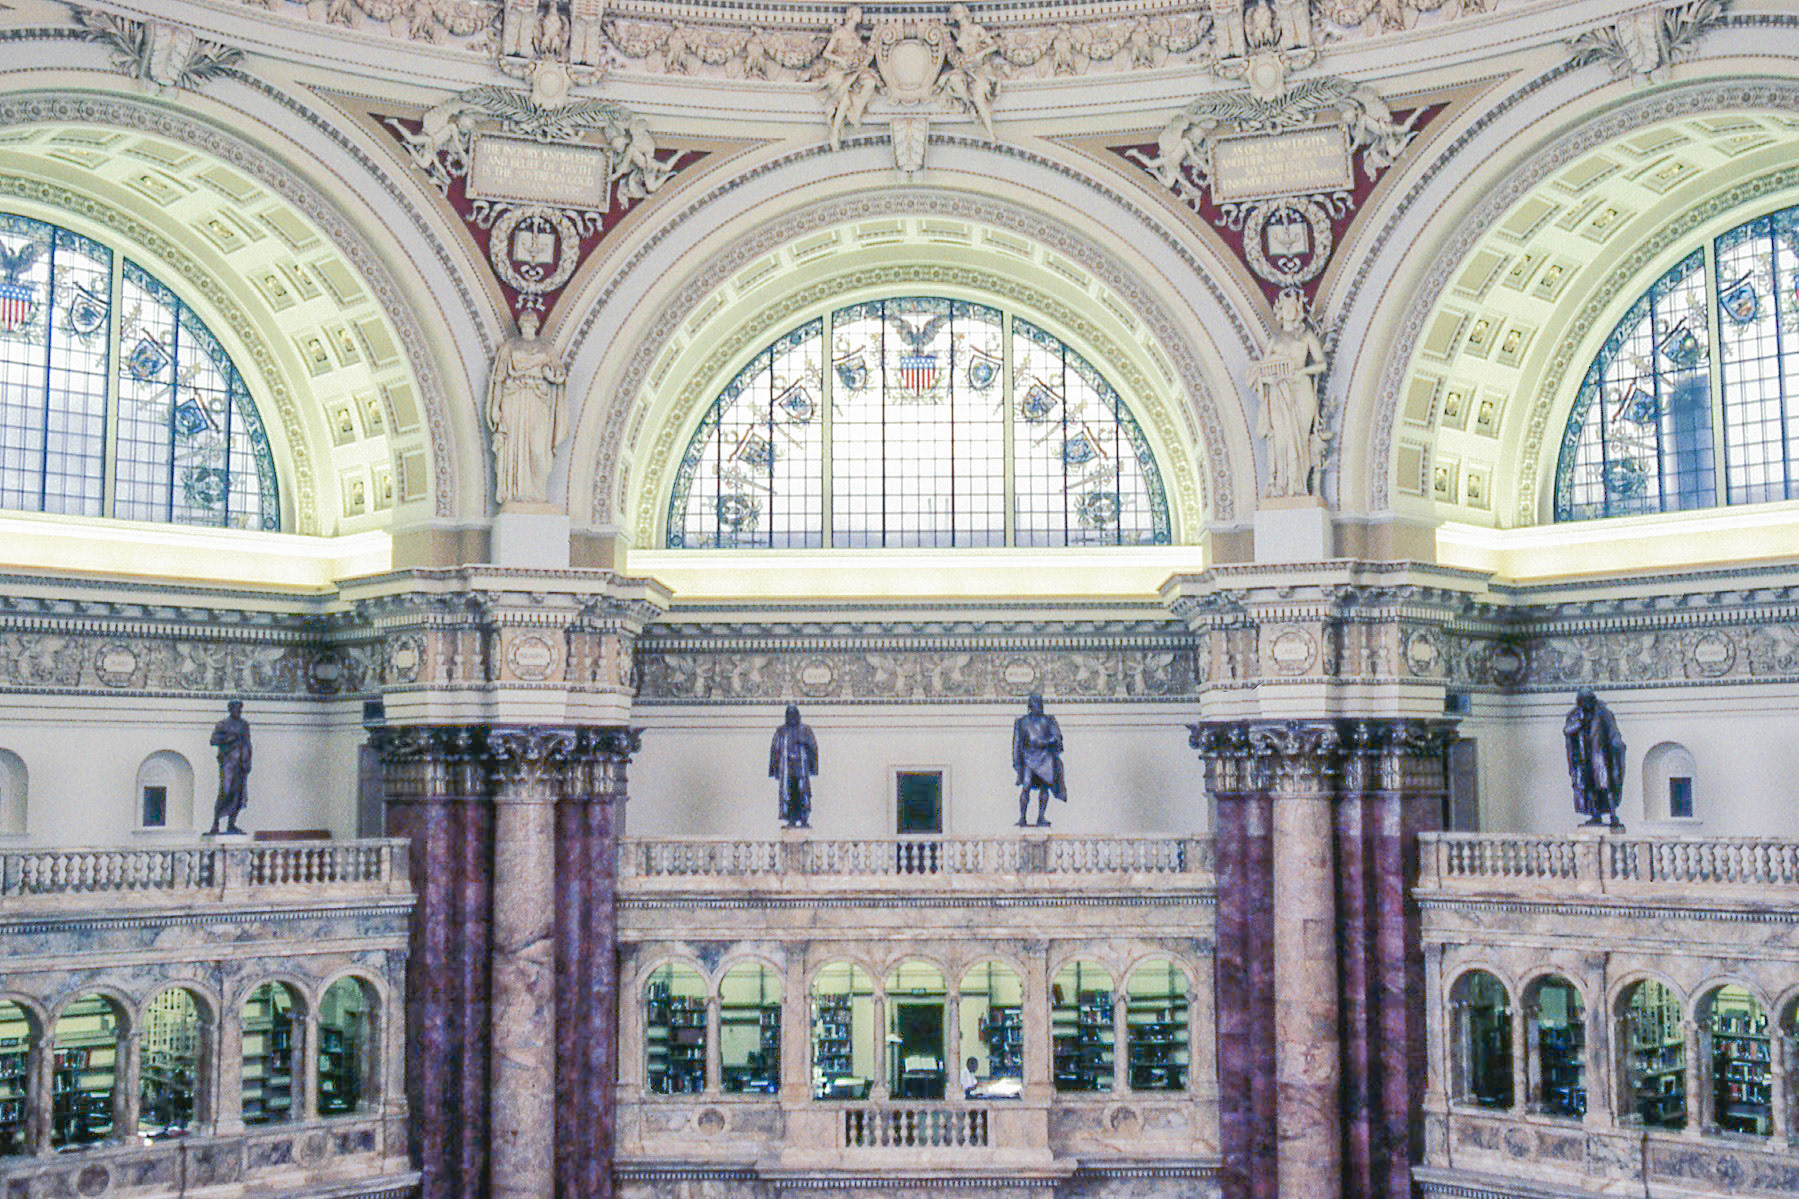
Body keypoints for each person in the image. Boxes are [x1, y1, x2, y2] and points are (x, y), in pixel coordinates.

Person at [1251, 288, 1328, 498]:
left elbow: (1321, 364)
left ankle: (1299, 485)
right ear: (1280, 310)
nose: (1289, 311)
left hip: (1301, 389)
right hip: (1279, 391)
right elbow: (1261, 369)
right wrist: (1269, 379)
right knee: (1282, 440)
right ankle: (1282, 484)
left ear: (1298, 309)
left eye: (1293, 306)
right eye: (1285, 307)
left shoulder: (1306, 335)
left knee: (1301, 437)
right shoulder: (1275, 340)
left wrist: (1302, 371)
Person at [487, 311, 567, 507]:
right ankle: (515, 493)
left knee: (538, 449)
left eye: (531, 324)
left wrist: (551, 376)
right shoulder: (510, 346)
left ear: (536, 325)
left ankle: (537, 493)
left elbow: (560, 375)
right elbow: (499, 378)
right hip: (513, 399)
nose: (528, 326)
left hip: (538, 399)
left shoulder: (546, 348)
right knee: (514, 446)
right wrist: (496, 406)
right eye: (525, 323)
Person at [1564, 686, 1625, 828]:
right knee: (1588, 787)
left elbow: (1613, 733)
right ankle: (1595, 814)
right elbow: (1567, 730)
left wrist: (1618, 749)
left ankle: (1612, 814)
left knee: (1606, 785)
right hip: (1583, 758)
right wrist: (1579, 723)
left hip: (1601, 756)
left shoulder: (1604, 714)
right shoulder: (1574, 715)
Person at [1012, 692, 1065, 828]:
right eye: (1035, 703)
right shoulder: (1022, 721)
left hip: (1045, 757)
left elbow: (1057, 737)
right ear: (1030, 705)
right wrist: (1017, 762)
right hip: (1029, 758)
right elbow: (1017, 743)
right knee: (1026, 787)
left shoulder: (1049, 720)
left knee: (1044, 788)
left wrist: (1044, 742)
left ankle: (1041, 816)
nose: (1037, 706)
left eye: (1039, 703)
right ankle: (1022, 817)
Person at [769, 704, 819, 828]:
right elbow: (775, 749)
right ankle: (791, 818)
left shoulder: (805, 730)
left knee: (803, 793)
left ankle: (803, 818)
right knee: (789, 793)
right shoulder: (781, 731)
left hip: (801, 768)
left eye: (794, 714)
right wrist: (774, 769)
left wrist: (813, 767)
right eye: (789, 714)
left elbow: (813, 747)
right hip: (787, 769)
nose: (792, 717)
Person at [208, 699, 252, 835]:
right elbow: (213, 740)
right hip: (227, 762)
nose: (238, 711)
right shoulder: (223, 724)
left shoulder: (244, 724)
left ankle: (231, 824)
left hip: (240, 763)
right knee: (225, 791)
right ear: (230, 709)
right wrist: (229, 738)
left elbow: (248, 743)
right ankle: (215, 823)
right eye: (236, 708)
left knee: (238, 794)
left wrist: (248, 761)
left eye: (240, 709)